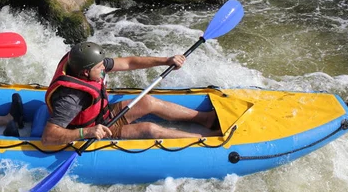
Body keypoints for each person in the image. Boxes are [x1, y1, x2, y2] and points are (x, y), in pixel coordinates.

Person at [41, 42, 219, 145]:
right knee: (148, 129)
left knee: (148, 101)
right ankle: (206, 139)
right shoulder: (71, 98)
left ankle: (205, 119)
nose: (105, 68)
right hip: (94, 129)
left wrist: (166, 61)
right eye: (100, 67)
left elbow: (129, 62)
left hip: (102, 115)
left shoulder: (88, 65)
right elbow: (49, 136)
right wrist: (86, 132)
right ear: (85, 73)